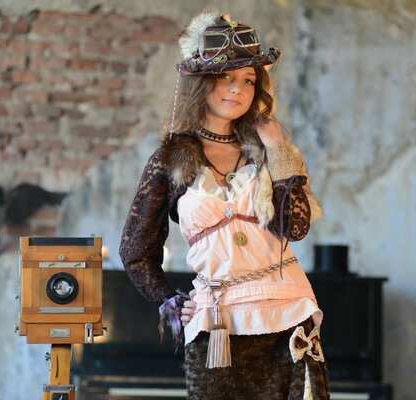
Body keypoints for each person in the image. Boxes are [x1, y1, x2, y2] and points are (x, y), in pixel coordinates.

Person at [119, 11, 329, 399]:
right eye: (226, 77)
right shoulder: (171, 159)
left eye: (248, 80)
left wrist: (278, 149)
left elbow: (295, 228)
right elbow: (134, 249)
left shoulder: (270, 152)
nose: (238, 89)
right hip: (218, 323)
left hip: (288, 314)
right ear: (202, 82)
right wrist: (167, 298)